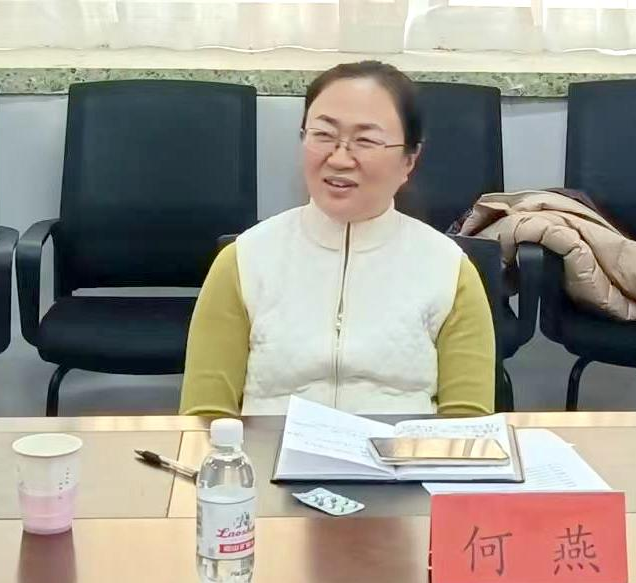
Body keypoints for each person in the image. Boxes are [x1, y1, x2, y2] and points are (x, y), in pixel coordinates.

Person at [179, 61, 495, 417]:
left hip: (401, 453)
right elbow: (205, 417)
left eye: (366, 140)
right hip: (267, 451)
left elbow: (466, 427)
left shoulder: (449, 271)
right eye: (323, 135)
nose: (340, 158)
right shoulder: (244, 262)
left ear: (409, 159)